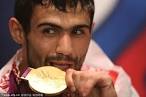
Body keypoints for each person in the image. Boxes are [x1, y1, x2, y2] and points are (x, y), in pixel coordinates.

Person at [0, 0, 139, 97]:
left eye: (78, 32)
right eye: (49, 31)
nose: (66, 49)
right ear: (18, 32)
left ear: (90, 32)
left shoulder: (116, 86)